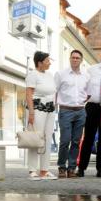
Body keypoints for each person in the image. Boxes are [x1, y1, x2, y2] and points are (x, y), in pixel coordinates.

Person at [54, 49, 89, 178]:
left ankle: (72, 168)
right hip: (65, 110)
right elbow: (55, 91)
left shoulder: (86, 75)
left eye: (77, 58)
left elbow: (88, 93)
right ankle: (62, 167)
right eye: (73, 57)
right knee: (65, 140)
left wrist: (81, 102)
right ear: (70, 59)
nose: (75, 60)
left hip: (80, 111)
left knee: (76, 141)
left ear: (81, 60)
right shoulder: (61, 74)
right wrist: (55, 107)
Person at [78, 48, 101, 178]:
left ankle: (100, 169)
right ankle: (81, 168)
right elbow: (83, 86)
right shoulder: (91, 69)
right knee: (88, 138)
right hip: (92, 106)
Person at [25, 51, 58, 180]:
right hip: (37, 108)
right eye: (47, 60)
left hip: (50, 108)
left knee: (47, 138)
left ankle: (44, 170)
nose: (49, 63)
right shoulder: (33, 75)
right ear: (40, 63)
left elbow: (52, 91)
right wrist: (31, 112)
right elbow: (28, 95)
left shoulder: (49, 75)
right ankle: (32, 170)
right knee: (35, 138)